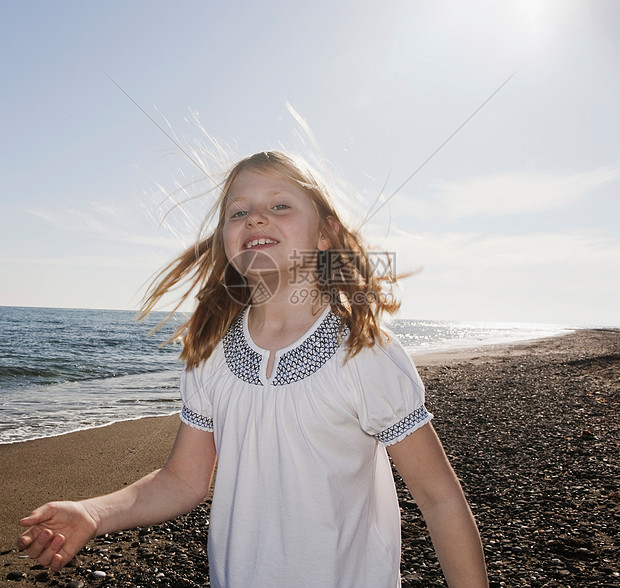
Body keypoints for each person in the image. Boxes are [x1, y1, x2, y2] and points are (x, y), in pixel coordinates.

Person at [17, 151, 488, 587]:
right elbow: (182, 481)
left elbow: (439, 499)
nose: (256, 217)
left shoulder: (362, 352)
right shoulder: (210, 353)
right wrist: (93, 513)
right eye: (238, 212)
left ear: (324, 234)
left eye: (280, 205)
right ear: (226, 239)